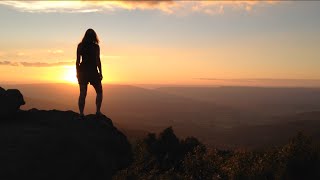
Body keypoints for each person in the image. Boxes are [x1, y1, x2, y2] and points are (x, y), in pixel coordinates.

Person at [76, 28, 103, 118]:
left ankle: (81, 113)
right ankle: (98, 111)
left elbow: (77, 61)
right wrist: (100, 72)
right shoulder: (96, 47)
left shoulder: (80, 46)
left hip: (83, 71)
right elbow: (97, 60)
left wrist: (77, 72)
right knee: (99, 91)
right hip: (93, 71)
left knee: (82, 93)